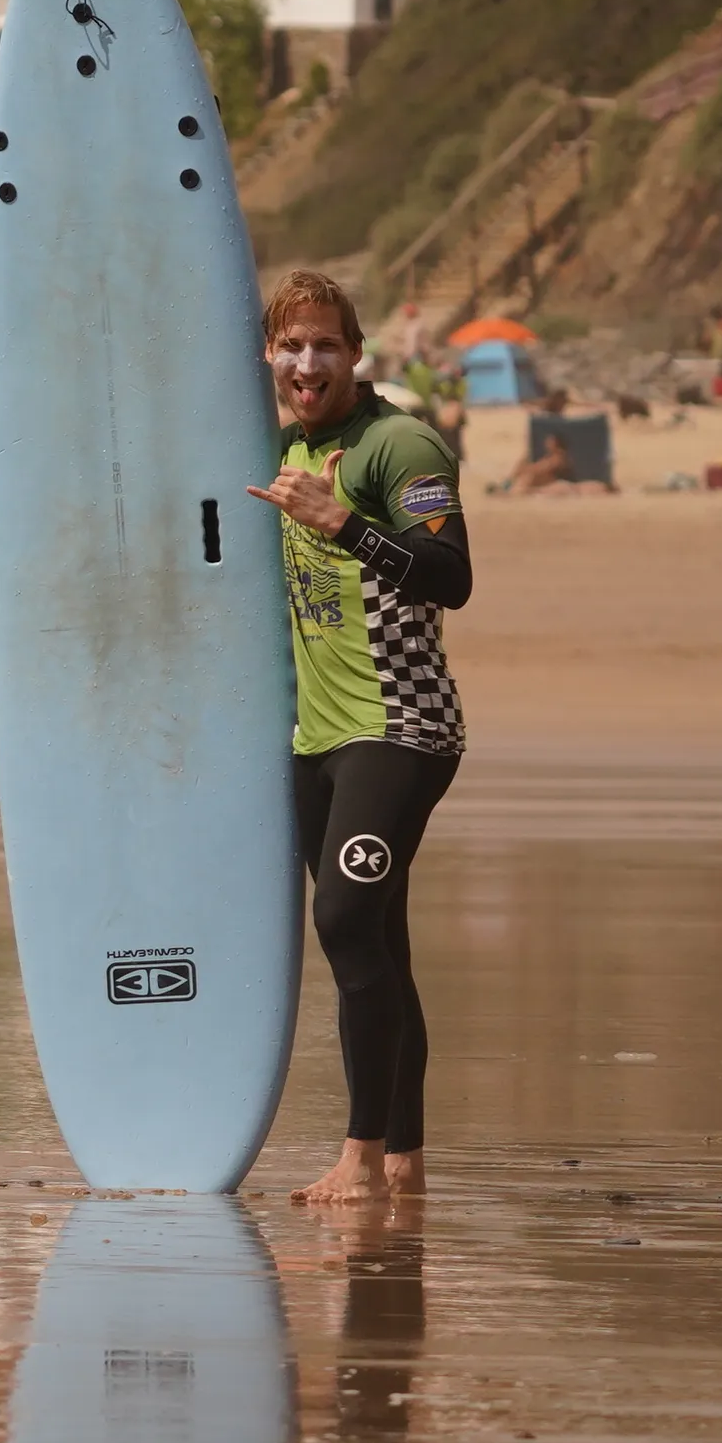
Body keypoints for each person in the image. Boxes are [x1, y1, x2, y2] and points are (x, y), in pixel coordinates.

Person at [248, 269, 469, 1207]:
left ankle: (361, 1155)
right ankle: (404, 1161)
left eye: (326, 345)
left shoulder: (397, 444)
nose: (309, 363)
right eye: (291, 346)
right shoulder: (281, 447)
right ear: (269, 356)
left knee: (342, 920)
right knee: (379, 944)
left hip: (402, 727)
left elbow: (450, 575)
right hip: (319, 741)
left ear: (356, 353)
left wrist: (342, 524)